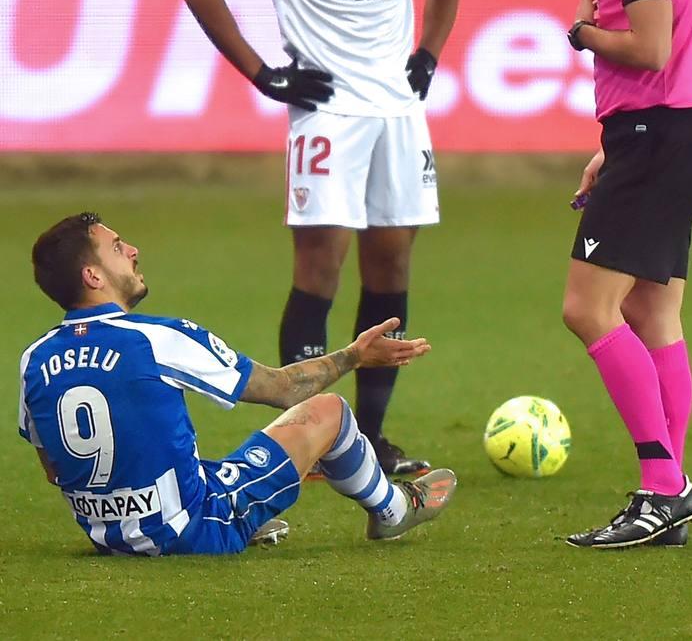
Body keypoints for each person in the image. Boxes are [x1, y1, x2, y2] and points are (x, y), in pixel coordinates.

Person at [183, 0, 460, 476]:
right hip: (327, 115)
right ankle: (301, 444)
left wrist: (428, 52)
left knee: (392, 265)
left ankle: (367, 439)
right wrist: (262, 74)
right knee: (320, 273)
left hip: (399, 113)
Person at [18, 212, 457, 557]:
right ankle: (395, 510)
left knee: (183, 461)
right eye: (116, 248)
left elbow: (56, 469)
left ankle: (211, 511)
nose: (133, 250)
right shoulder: (157, 338)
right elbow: (285, 389)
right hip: (193, 532)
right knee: (330, 411)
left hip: (107, 536)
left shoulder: (34, 359)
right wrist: (355, 355)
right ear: (93, 277)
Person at [522, 0, 692, 549]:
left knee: (588, 309)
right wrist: (617, 138)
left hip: (658, 137)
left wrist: (581, 35)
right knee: (652, 314)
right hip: (671, 132)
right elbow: (667, 62)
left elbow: (651, 47)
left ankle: (663, 488)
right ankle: (670, 491)